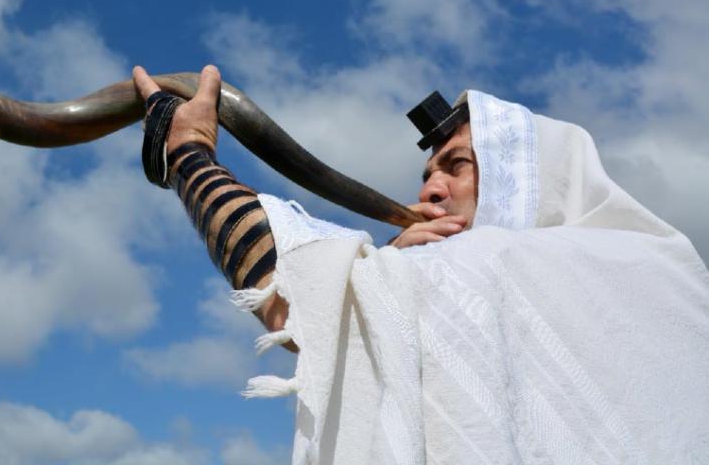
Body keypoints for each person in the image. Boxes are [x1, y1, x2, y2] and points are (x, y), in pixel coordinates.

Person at [134, 65, 709, 464]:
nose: (428, 191)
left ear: (528, 181)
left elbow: (288, 297)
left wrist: (188, 152)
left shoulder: (504, 262)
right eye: (426, 174)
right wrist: (397, 283)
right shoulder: (664, 277)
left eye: (457, 166)